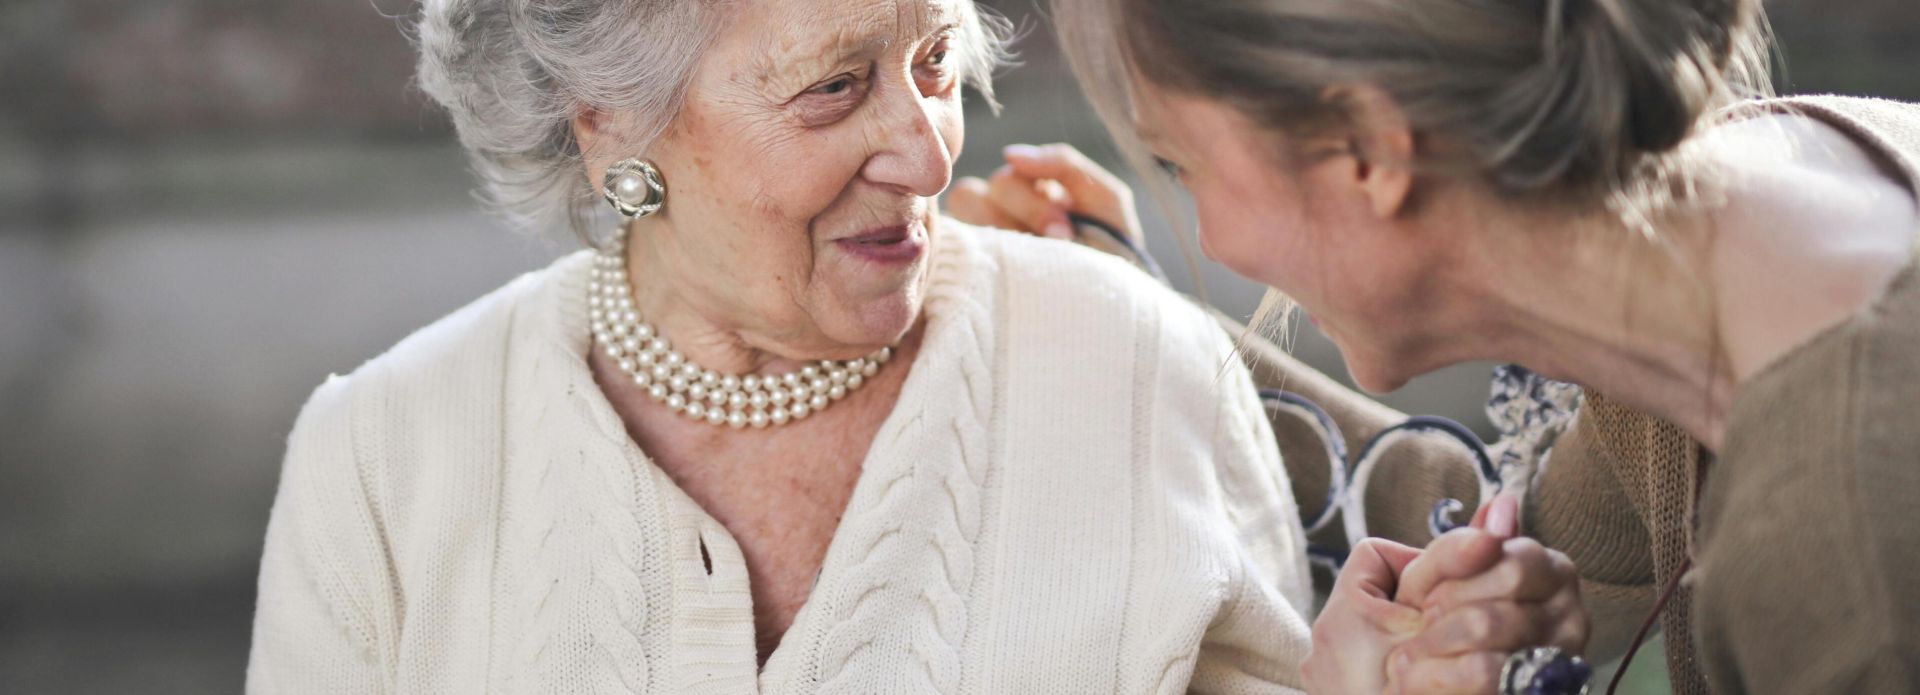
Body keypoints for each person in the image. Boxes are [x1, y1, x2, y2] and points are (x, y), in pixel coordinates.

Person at [244, 0, 1585, 692]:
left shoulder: (1130, 366)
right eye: (837, 84)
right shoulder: (380, 456)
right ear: (609, 124)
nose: (929, 145)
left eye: (936, 63)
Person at [949, 0, 1920, 691]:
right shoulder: (1736, 230)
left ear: (1367, 149)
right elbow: (1509, 526)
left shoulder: (1852, 549)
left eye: (1180, 164)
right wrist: (1133, 325)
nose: (1211, 240)